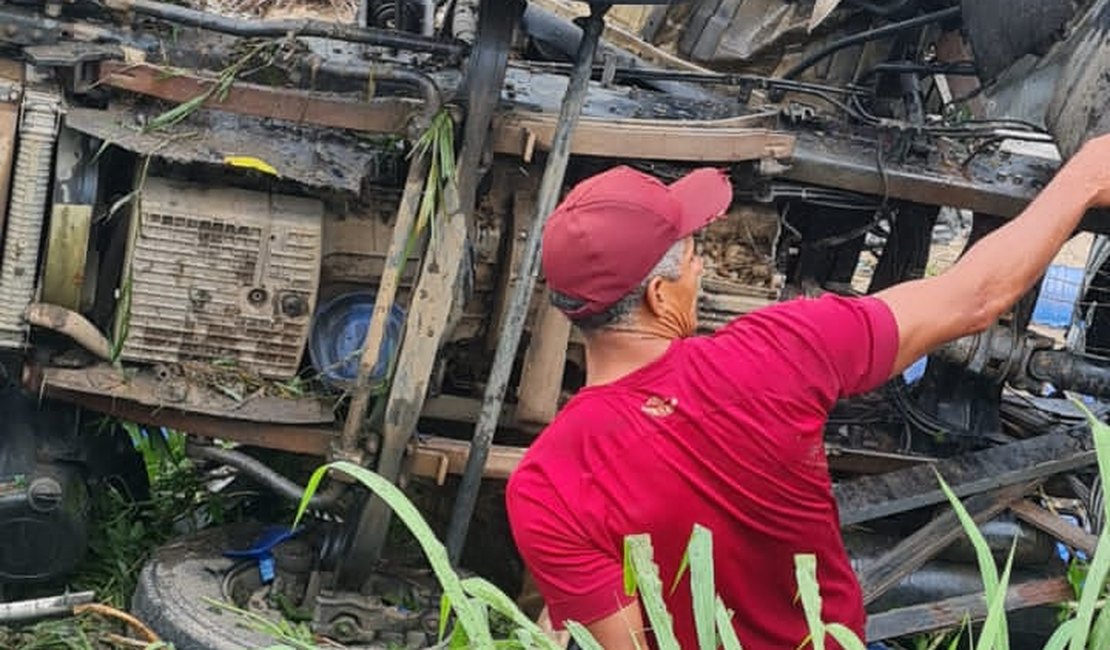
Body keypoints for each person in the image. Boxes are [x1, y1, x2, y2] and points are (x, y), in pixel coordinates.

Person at [504, 133, 1110, 650]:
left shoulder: (544, 485)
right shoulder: (777, 352)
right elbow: (976, 297)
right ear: (658, 298)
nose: (699, 271)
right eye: (690, 258)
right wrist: (1082, 177)